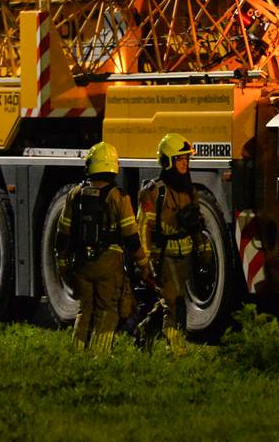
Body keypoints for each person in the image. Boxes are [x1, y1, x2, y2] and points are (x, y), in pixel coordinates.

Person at [55, 142, 150, 354]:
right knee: (107, 310)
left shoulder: (75, 194)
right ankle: (100, 356)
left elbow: (63, 232)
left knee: (85, 310)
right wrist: (143, 264)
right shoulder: (118, 197)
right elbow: (131, 237)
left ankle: (77, 353)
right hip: (108, 263)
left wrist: (62, 261)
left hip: (81, 263)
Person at [135, 133, 213, 354]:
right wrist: (144, 262)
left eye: (186, 159)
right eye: (180, 159)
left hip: (184, 255)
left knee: (170, 301)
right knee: (174, 304)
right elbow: (143, 227)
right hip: (163, 256)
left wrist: (203, 249)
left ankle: (145, 330)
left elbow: (196, 225)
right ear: (168, 161)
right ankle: (176, 350)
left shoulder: (189, 190)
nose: (185, 163)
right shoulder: (154, 192)